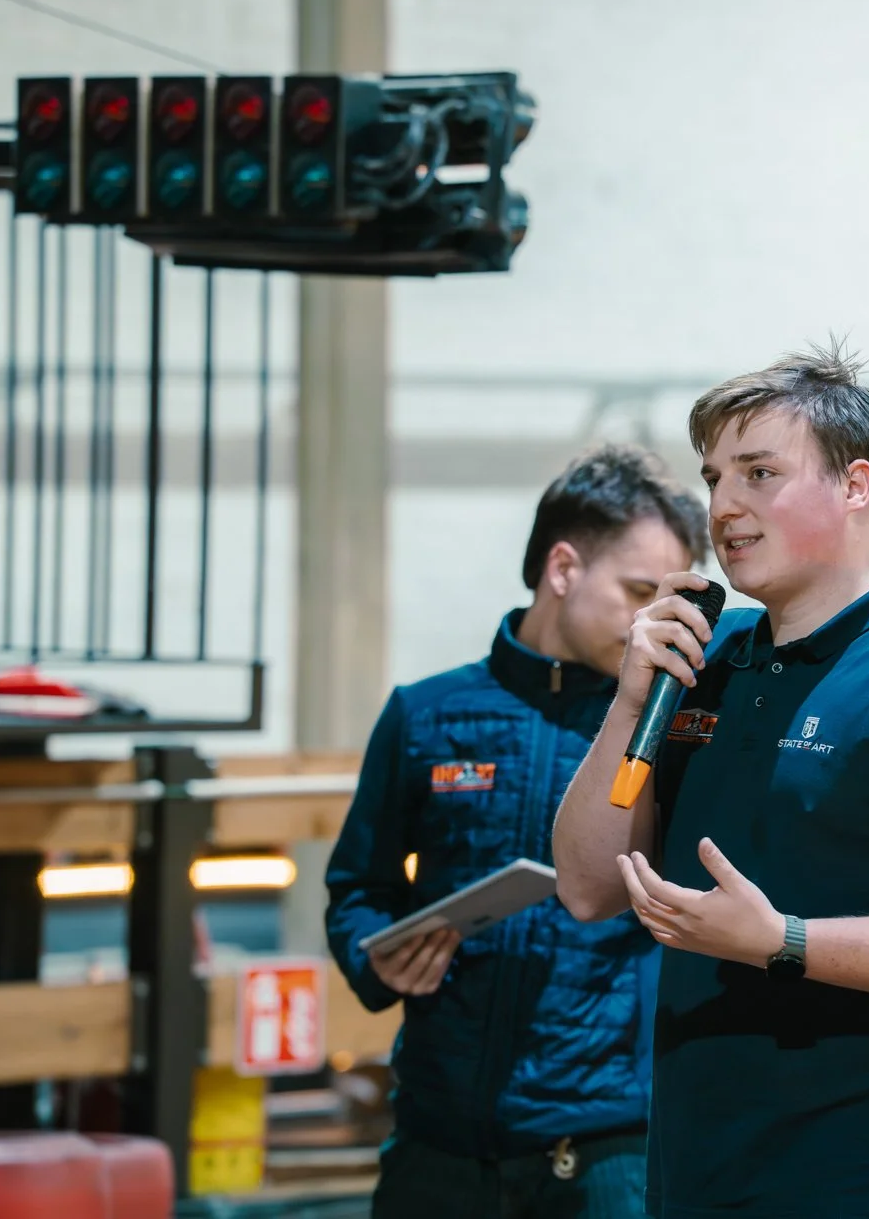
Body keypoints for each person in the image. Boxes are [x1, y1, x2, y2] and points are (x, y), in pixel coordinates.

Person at [553, 345, 869, 1219]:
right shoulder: (706, 662)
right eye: (714, 478)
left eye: (759, 473)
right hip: (693, 1175)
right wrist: (632, 694)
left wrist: (784, 941)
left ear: (856, 485)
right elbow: (588, 886)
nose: (723, 505)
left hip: (860, 1184)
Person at [326, 443, 708, 1219]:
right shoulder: (426, 714)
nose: (654, 622)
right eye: (639, 591)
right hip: (438, 1141)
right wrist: (378, 954)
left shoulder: (666, 728)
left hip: (607, 1147)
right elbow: (357, 887)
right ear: (563, 568)